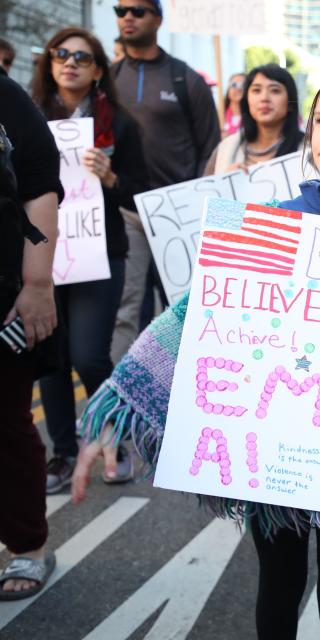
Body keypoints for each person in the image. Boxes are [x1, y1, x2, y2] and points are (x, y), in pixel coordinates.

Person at [73, 70, 320, 639]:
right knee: (277, 581)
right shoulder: (273, 221)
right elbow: (191, 315)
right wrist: (115, 405)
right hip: (270, 446)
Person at [31, 27, 148, 493]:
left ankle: (114, 438)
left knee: (88, 355)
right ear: (49, 63)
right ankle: (62, 454)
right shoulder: (29, 117)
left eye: (82, 56)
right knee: (51, 358)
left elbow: (140, 194)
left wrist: (111, 176)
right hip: (43, 253)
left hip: (101, 254)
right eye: (61, 53)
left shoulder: (120, 125)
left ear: (99, 69)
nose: (70, 62)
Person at [110, 0, 220, 362]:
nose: (127, 17)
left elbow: (210, 147)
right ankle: (125, 402)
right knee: (126, 312)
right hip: (126, 212)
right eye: (120, 10)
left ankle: (185, 392)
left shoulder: (184, 78)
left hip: (176, 216)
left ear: (158, 18)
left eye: (138, 11)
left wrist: (195, 204)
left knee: (183, 309)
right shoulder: (108, 78)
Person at [0, 72, 61, 599]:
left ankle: (26, 545)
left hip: (2, 298)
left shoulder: (7, 98)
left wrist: (37, 283)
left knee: (4, 424)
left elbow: (40, 186)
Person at [203, 64, 302, 175]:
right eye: (256, 90)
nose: (264, 98)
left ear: (290, 103)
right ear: (246, 100)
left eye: (275, 91)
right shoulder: (224, 149)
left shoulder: (310, 150)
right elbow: (205, 191)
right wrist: (224, 184)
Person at [222, 72, 245, 137]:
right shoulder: (219, 115)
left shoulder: (255, 117)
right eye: (234, 85)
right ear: (228, 91)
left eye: (243, 85)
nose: (239, 88)